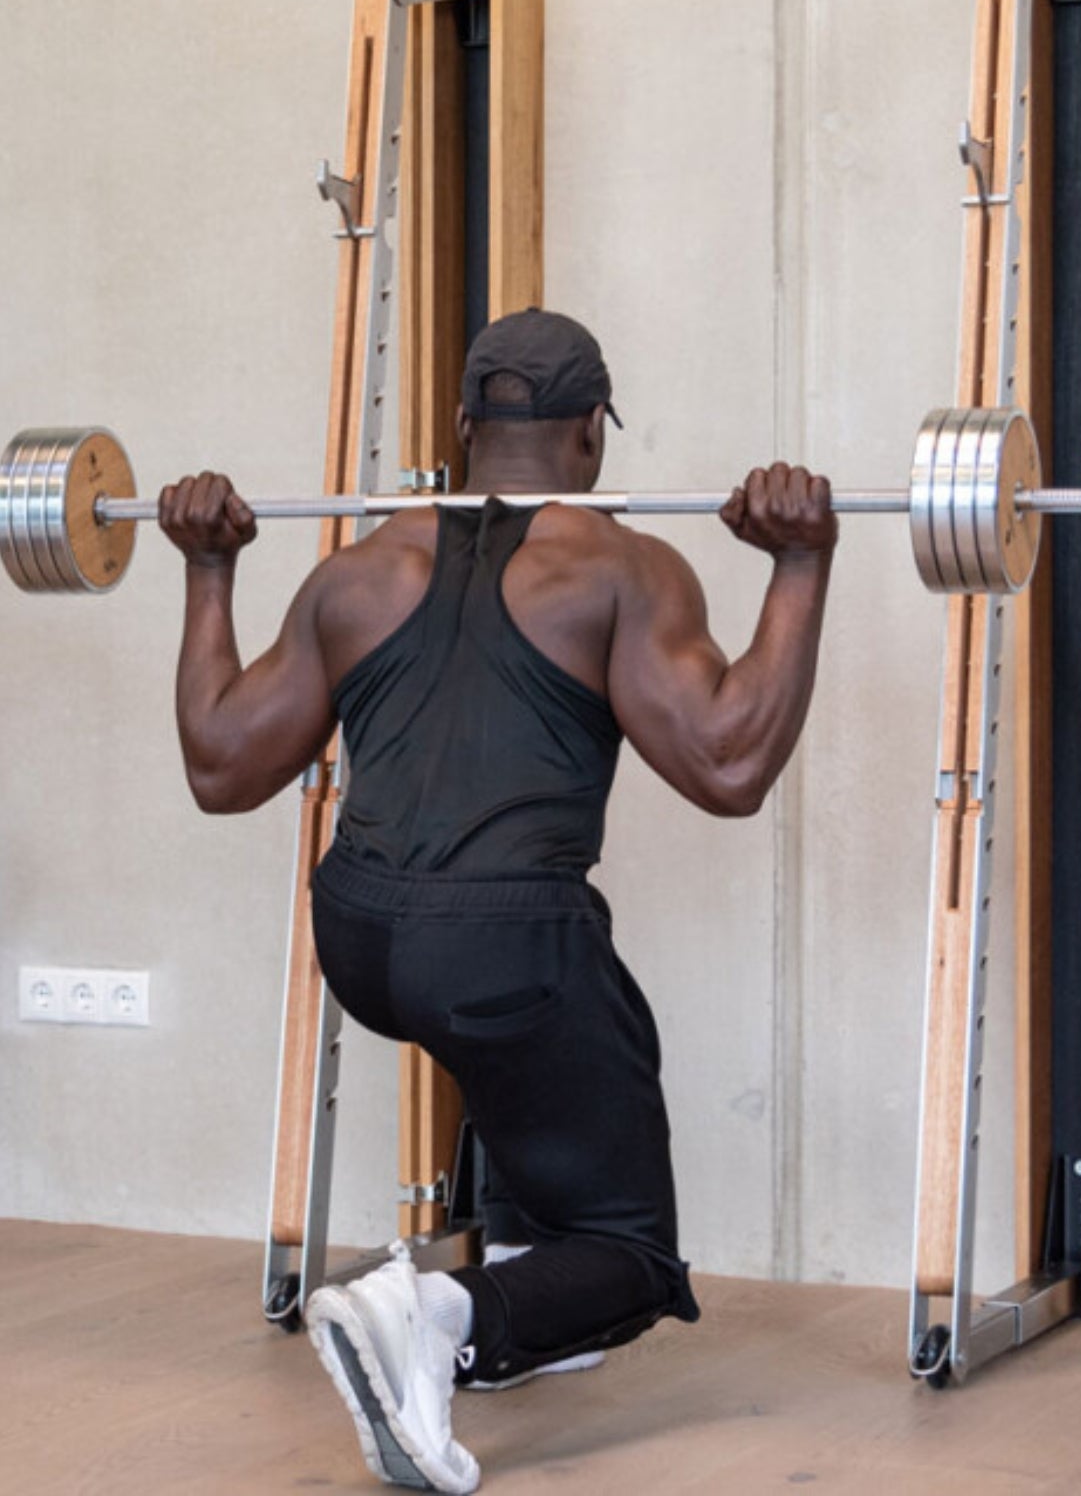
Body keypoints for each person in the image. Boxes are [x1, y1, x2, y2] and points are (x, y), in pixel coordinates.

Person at [157, 307, 838, 1494]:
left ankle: (519, 1314)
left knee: (535, 1041)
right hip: (508, 942)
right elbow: (729, 767)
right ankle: (438, 1312)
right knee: (628, 1245)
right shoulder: (622, 568)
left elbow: (222, 766)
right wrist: (799, 564)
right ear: (589, 434)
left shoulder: (355, 568)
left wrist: (208, 570)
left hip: (359, 937)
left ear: (465, 425)